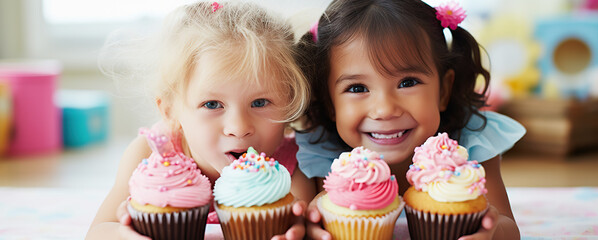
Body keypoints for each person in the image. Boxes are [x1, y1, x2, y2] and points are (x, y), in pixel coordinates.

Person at [294, 0, 525, 239]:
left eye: (407, 83)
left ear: (443, 91)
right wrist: (311, 227)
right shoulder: (322, 152)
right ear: (330, 102)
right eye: (357, 88)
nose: (384, 110)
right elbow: (306, 220)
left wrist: (492, 231)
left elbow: (509, 229)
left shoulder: (471, 147)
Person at [86, 1, 315, 239]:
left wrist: (299, 230)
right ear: (169, 111)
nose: (238, 128)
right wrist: (126, 234)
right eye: (212, 104)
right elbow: (98, 232)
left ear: (290, 104)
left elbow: (304, 227)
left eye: (259, 103)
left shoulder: (291, 167)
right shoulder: (149, 155)